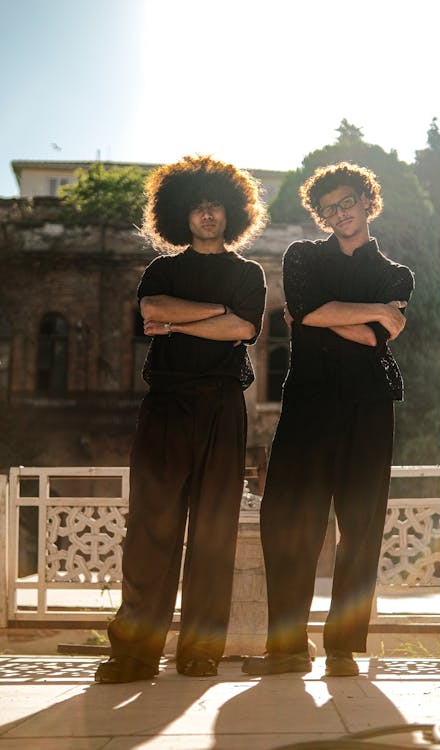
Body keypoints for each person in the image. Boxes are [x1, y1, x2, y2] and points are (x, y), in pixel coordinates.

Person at [95, 155, 267, 683]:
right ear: (181, 214)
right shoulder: (160, 269)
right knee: (150, 528)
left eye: (215, 205)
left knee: (213, 530)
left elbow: (242, 329)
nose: (207, 214)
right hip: (165, 404)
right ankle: (134, 653)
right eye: (197, 206)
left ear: (231, 212)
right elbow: (152, 312)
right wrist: (208, 315)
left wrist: (179, 319)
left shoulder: (248, 272)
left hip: (221, 405)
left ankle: (200, 652)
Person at [242, 161, 414, 678]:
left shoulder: (397, 275)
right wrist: (370, 313)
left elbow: (373, 338)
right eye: (328, 208)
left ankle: (342, 649)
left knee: (360, 525)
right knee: (286, 519)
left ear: (367, 201)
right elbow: (308, 311)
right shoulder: (302, 257)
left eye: (347, 203)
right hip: (309, 403)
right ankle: (288, 647)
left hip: (369, 406)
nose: (338, 214)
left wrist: (330, 316)